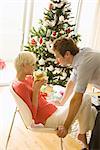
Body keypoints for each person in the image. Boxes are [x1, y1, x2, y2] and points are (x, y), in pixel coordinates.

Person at [13, 51, 96, 149]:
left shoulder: (28, 79)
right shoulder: (20, 86)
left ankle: (89, 137)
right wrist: (36, 91)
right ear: (23, 65)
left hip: (53, 110)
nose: (34, 67)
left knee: (92, 110)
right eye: (32, 64)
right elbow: (32, 115)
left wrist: (49, 99)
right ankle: (83, 135)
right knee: (86, 97)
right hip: (49, 119)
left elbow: (40, 98)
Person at [52, 37, 100, 149]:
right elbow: (71, 82)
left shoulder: (85, 63)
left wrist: (66, 126)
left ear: (67, 54)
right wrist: (62, 101)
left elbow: (77, 98)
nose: (56, 61)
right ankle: (82, 135)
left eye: (58, 57)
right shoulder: (79, 56)